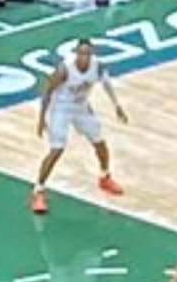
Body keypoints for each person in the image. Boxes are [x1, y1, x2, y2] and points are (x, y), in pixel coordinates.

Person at [29, 39, 129, 215]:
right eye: (81, 53)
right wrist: (41, 119)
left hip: (81, 107)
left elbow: (107, 85)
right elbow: (47, 91)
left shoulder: (97, 67)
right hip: (60, 109)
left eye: (87, 53)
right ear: (76, 53)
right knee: (57, 149)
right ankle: (38, 191)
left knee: (100, 142)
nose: (84, 57)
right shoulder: (64, 69)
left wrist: (117, 106)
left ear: (92, 54)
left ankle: (104, 177)